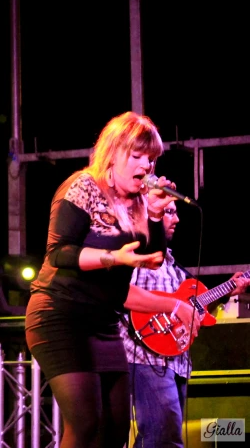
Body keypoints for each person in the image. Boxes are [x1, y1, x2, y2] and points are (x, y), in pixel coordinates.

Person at [24, 111, 205, 448]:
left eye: (150, 159)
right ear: (112, 152)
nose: (145, 166)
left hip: (103, 323)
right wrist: (113, 257)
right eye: (136, 156)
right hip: (59, 316)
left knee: (116, 429)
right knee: (86, 423)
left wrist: (153, 214)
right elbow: (58, 253)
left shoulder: (138, 202)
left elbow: (153, 257)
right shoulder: (83, 187)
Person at [122, 200, 249, 447]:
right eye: (169, 212)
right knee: (165, 435)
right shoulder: (138, 254)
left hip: (178, 360)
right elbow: (120, 293)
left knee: (160, 436)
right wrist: (169, 309)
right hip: (147, 356)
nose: (177, 219)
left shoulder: (176, 269)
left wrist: (228, 290)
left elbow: (197, 311)